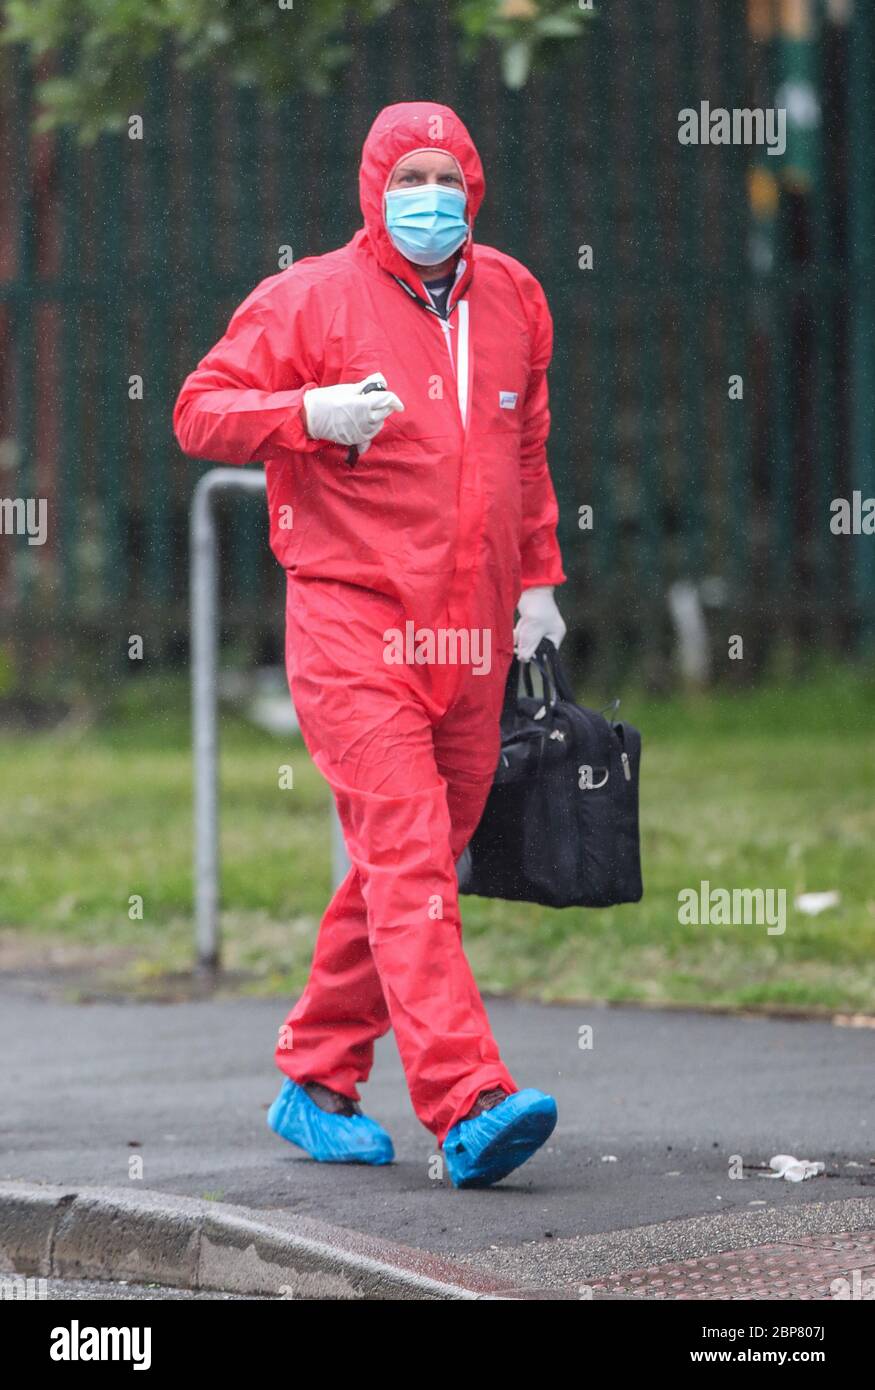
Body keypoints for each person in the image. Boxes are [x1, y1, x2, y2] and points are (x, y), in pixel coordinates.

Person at [174, 101, 567, 1188]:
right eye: (407, 179)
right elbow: (198, 412)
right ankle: (468, 1099)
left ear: (472, 186)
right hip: (353, 626)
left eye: (445, 177)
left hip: (476, 629)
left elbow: (522, 447)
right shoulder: (307, 297)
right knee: (404, 854)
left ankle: (313, 1076)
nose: (428, 198)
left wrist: (537, 577)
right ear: (371, 189)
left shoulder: (517, 299)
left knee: (417, 862)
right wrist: (309, 412)